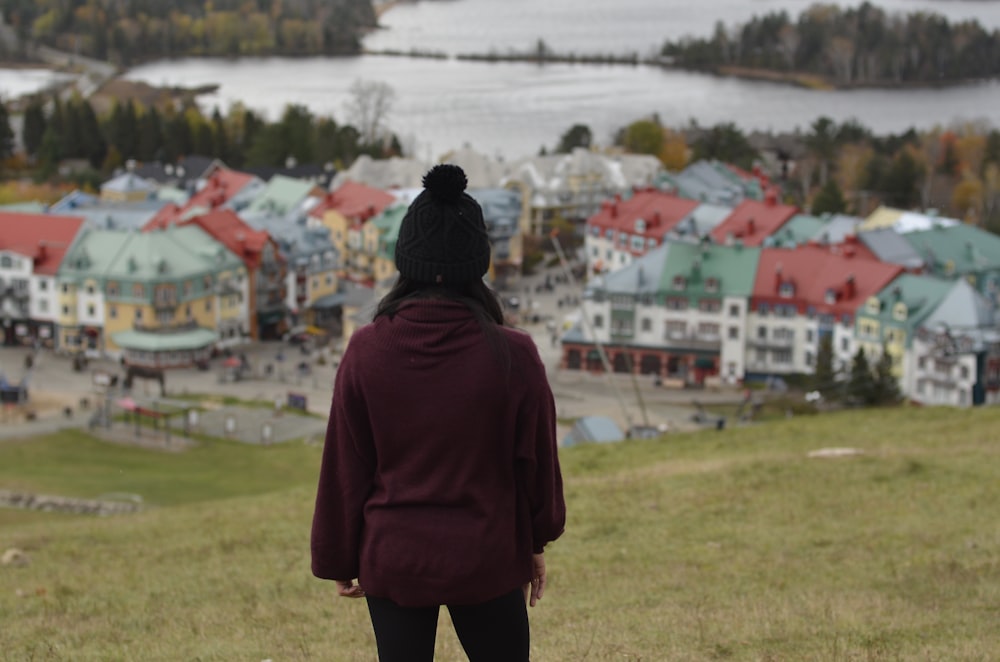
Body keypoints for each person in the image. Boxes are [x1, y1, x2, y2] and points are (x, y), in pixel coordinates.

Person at [311, 164, 566, 662]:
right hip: (488, 554)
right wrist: (537, 539)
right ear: (479, 263)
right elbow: (536, 460)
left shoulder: (366, 349)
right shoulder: (514, 353)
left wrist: (338, 555)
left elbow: (346, 465)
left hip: (394, 555)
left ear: (406, 260)